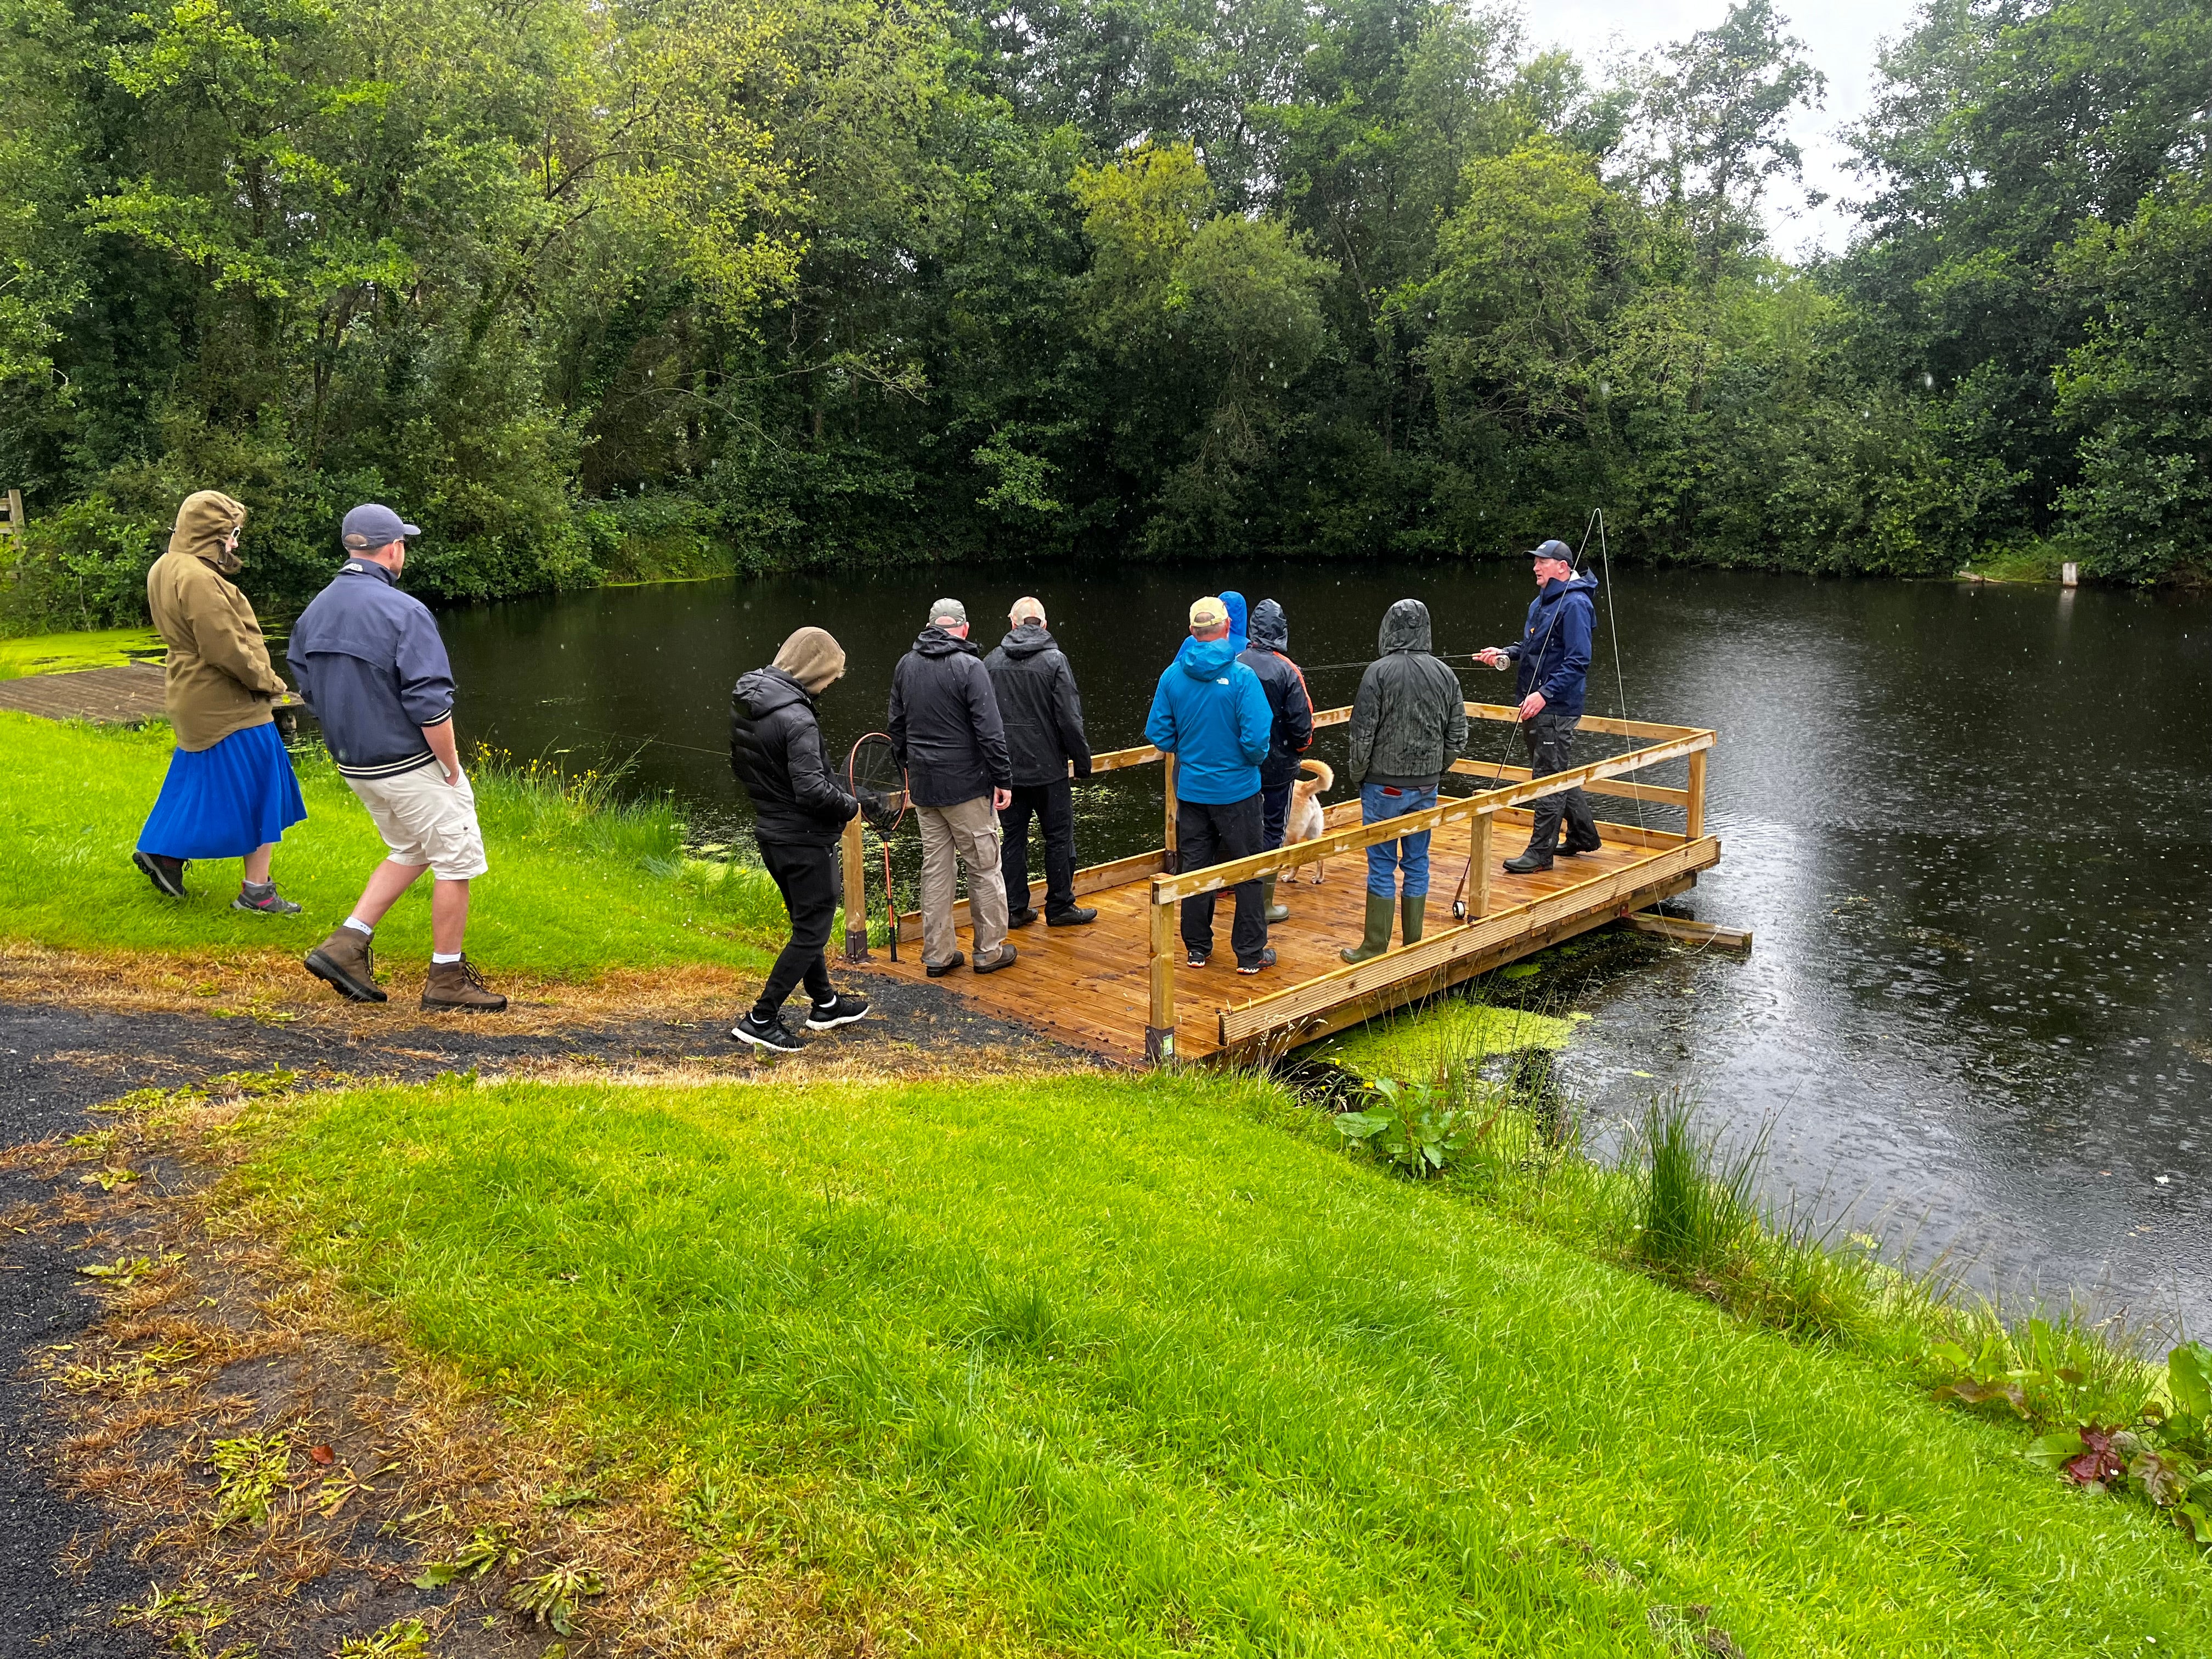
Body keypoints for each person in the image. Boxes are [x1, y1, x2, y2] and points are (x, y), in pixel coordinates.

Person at [288, 504, 506, 1011]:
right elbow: (431, 705)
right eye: (403, 543)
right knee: (457, 861)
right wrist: (450, 766)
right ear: (393, 549)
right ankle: (447, 979)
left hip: (355, 764)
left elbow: (307, 685)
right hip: (408, 763)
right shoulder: (404, 611)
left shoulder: (316, 609)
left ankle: (345, 946)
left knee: (411, 849)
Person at [131, 490, 307, 912]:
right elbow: (224, 648)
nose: (236, 543)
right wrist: (269, 683)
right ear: (214, 532)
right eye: (233, 533)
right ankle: (257, 894)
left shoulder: (166, 566)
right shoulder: (198, 578)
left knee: (199, 782)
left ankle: (163, 853)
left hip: (192, 691)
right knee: (264, 787)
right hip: (226, 701)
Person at [726, 627, 871, 1052]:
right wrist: (851, 806)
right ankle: (761, 1017)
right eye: (831, 677)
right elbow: (811, 790)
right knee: (811, 931)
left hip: (770, 834)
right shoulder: (798, 717)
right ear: (814, 670)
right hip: (803, 841)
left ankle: (825, 1003)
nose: (830, 685)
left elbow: (742, 767)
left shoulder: (750, 703)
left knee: (806, 924)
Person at [1144, 596, 1276, 975]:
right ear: (1228, 628)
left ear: (1192, 632)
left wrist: (1189, 748)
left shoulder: (1172, 676)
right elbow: (1256, 740)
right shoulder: (1241, 678)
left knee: (1196, 871)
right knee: (1248, 871)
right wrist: (1243, 762)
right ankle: (1250, 954)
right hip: (1238, 793)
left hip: (1193, 792)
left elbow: (1160, 734)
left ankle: (1197, 949)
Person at [889, 598, 1017, 977]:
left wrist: (910, 766)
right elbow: (990, 732)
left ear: (930, 627)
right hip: (967, 788)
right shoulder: (970, 666)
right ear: (964, 628)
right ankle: (989, 950)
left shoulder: (906, 665)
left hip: (926, 789)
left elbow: (897, 727)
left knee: (936, 870)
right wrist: (1003, 779)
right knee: (984, 866)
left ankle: (938, 954)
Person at [1341, 599, 1467, 963]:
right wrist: (1435, 770)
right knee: (1418, 862)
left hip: (1383, 785)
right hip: (1426, 785)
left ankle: (1374, 946)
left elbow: (1361, 733)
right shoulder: (1446, 674)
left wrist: (1359, 774)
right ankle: (1413, 943)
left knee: (1381, 864)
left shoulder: (1377, 672)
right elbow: (1458, 734)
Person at [1477, 540, 1601, 872]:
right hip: (1535, 705)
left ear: (1562, 566)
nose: (1535, 567)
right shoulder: (1541, 603)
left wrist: (1544, 694)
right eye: (1535, 562)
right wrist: (1504, 653)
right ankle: (1584, 835)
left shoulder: (1575, 605)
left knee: (1547, 777)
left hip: (1556, 707)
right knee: (1555, 769)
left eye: (1542, 561)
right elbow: (1532, 646)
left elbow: (1578, 661)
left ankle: (1539, 855)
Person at [984, 597, 1097, 928]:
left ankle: (1016, 907)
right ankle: (1060, 906)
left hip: (1007, 773)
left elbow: (983, 720)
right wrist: (1083, 761)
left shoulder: (991, 662)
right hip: (1049, 771)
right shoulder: (1055, 661)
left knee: (1013, 840)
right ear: (1044, 624)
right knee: (1059, 838)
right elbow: (1069, 719)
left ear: (1013, 623)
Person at [1238, 599, 1314, 924]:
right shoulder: (1288, 670)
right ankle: (1263, 905)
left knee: (1240, 830)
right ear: (1282, 632)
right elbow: (1303, 726)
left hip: (1239, 766)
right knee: (1272, 831)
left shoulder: (1235, 662)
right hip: (1278, 769)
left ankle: (1243, 899)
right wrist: (1298, 751)